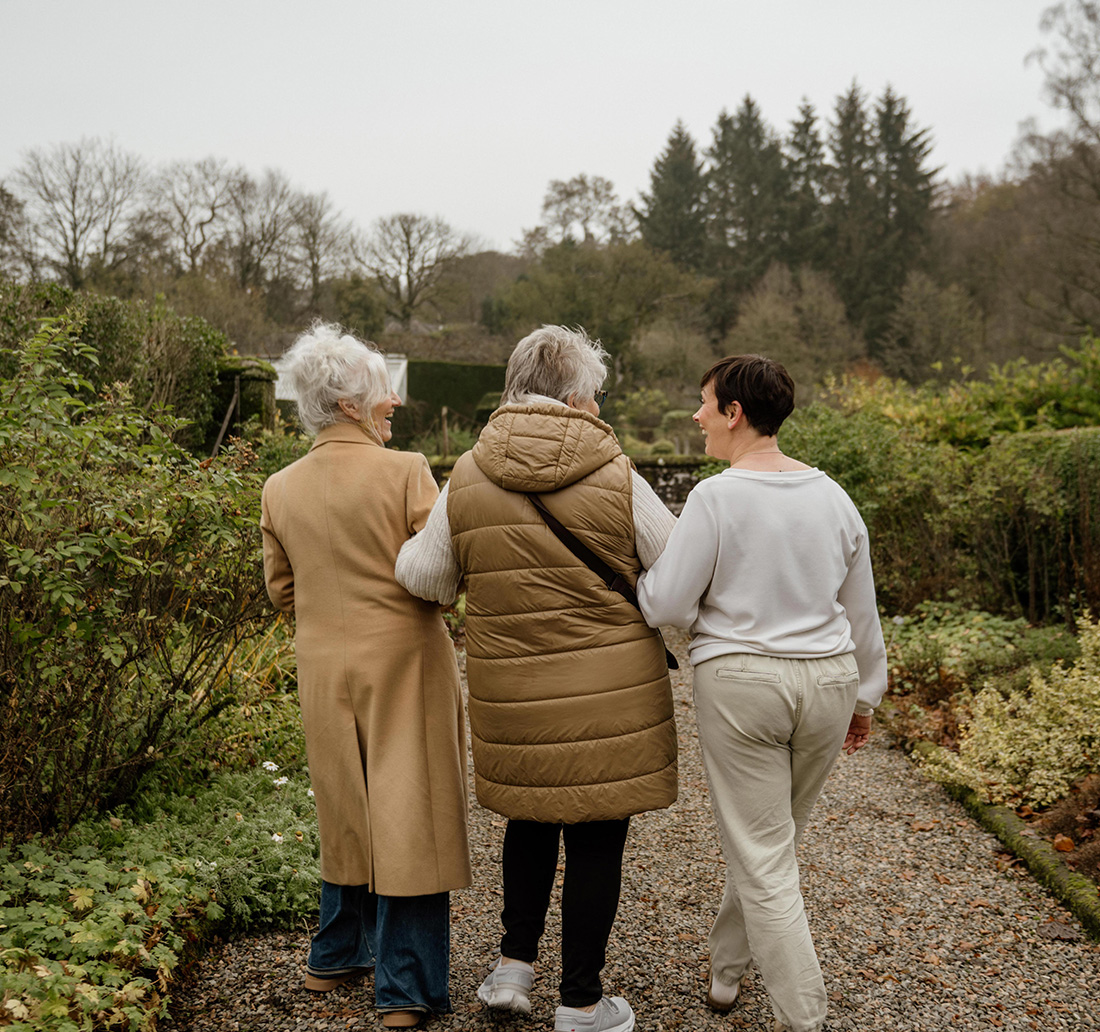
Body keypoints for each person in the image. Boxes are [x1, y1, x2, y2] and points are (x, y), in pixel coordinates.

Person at [395, 325, 678, 1032]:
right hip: (610, 693)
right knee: (595, 833)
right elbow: (676, 564)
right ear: (579, 395)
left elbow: (427, 578)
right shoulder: (617, 473)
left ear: (515, 386)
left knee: (528, 816)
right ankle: (582, 1001)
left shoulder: (468, 473)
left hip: (512, 687)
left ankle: (512, 970)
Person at [637, 355, 887, 1032]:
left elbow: (666, 602)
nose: (696, 416)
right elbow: (861, 612)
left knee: (764, 854)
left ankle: (804, 1017)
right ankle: (725, 973)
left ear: (734, 414)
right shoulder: (833, 496)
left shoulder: (717, 498)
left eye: (704, 403)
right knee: (773, 844)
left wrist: (641, 585)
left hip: (744, 682)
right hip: (830, 679)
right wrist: (865, 700)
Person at [260, 323, 471, 1029]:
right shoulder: (405, 470)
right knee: (412, 815)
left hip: (323, 664)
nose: (395, 403)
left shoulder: (279, 487)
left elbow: (281, 591)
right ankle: (404, 988)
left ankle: (335, 954)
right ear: (350, 403)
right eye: (383, 391)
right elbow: (440, 577)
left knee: (345, 808)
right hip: (405, 662)